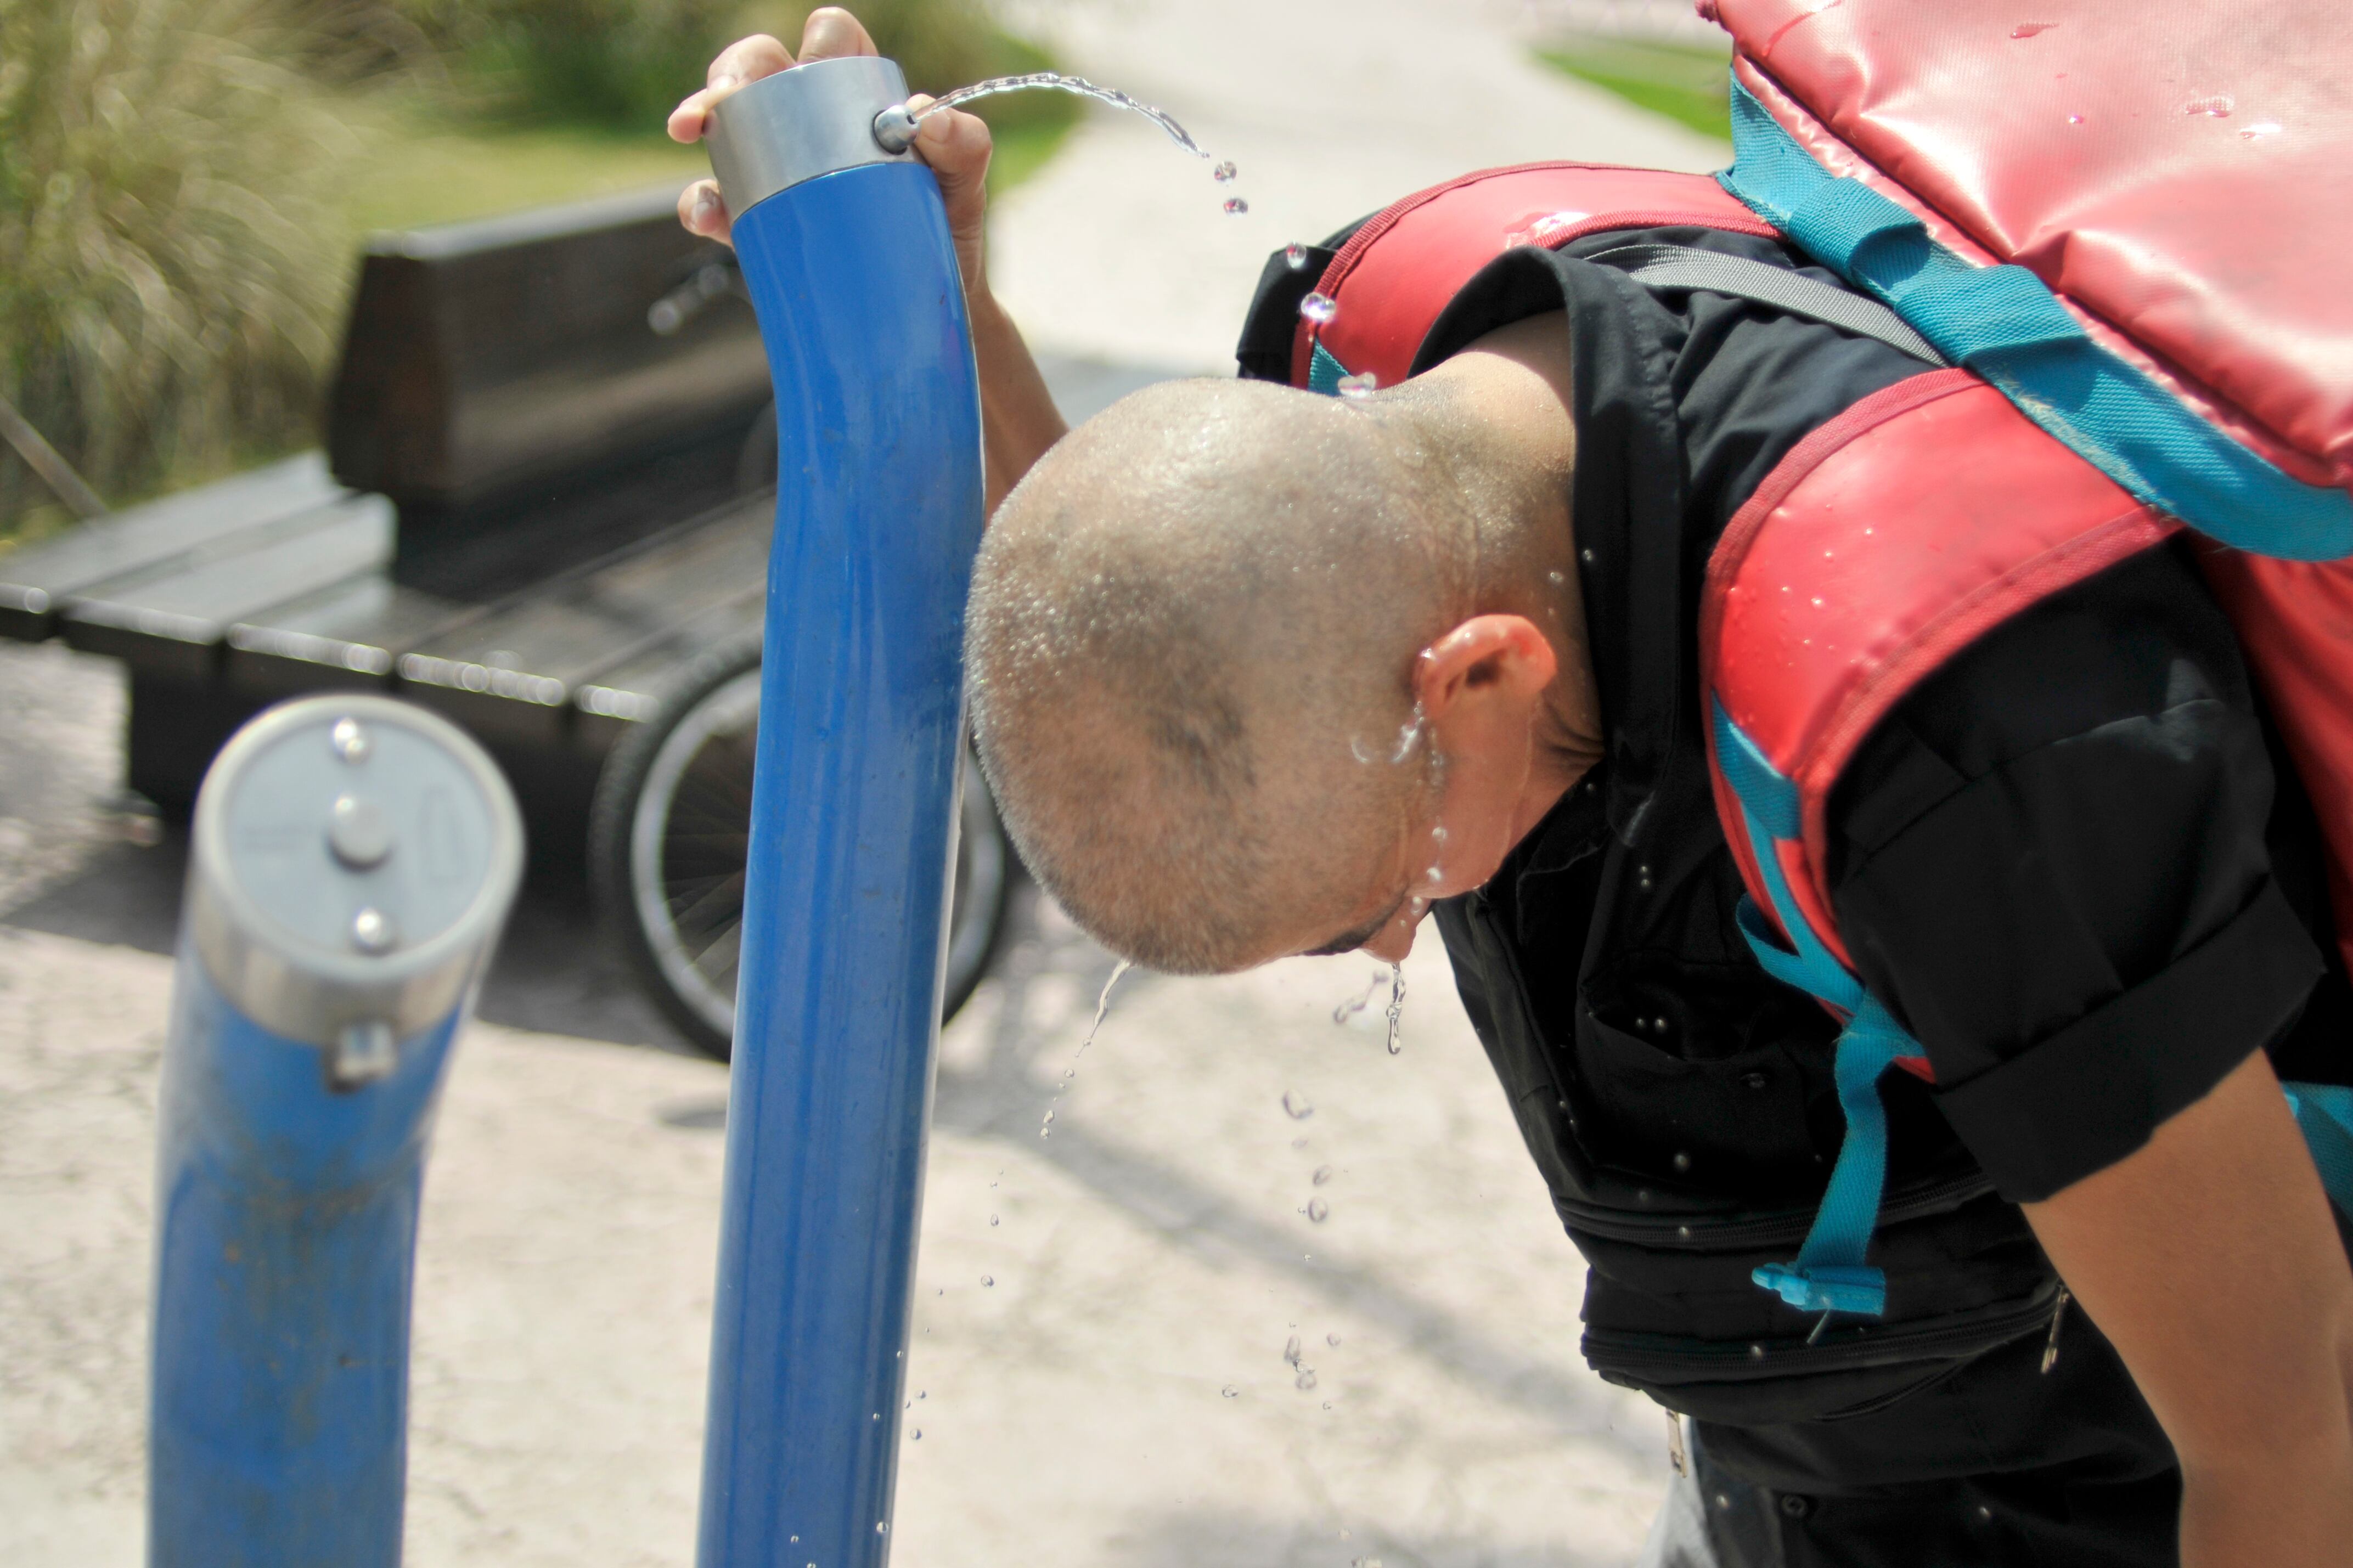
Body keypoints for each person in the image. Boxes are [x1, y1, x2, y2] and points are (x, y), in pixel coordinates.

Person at [671, 13, 2353, 1565]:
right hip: (1820, 1447)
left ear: (1481, 675)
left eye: (1373, 900)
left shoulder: (1973, 754)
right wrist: (937, 326)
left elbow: (2289, 1429)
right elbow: (1191, 638)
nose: (1406, 939)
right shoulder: (1381, 393)